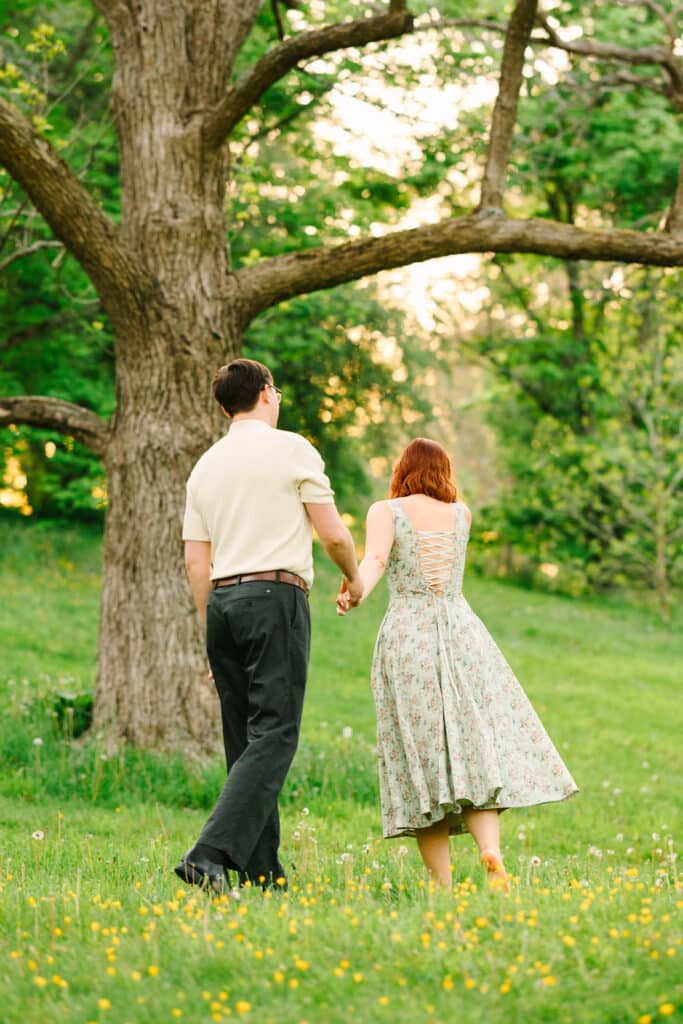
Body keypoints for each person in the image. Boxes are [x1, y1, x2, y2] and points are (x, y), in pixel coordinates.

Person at [336, 438, 578, 889]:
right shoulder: (461, 514)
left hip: (409, 634)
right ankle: (491, 851)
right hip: (463, 632)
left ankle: (442, 886)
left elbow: (375, 560)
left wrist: (355, 591)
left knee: (422, 758)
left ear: (402, 470)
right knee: (474, 747)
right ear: (444, 471)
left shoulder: (386, 511)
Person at [176, 358, 362, 894]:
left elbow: (195, 564)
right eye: (275, 388)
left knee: (245, 742)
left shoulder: (205, 466)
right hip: (274, 596)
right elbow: (331, 535)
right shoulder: (292, 448)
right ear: (264, 394)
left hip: (222, 605)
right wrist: (353, 576)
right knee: (276, 732)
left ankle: (262, 875)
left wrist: (210, 633)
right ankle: (208, 853)